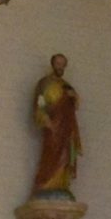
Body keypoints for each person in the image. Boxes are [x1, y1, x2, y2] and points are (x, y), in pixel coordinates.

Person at [30, 54, 81, 197]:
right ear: (53, 64)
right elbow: (39, 105)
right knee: (51, 154)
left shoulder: (67, 86)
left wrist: (74, 97)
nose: (61, 67)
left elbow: (76, 105)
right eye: (58, 63)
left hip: (66, 127)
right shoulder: (45, 83)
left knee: (64, 156)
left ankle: (61, 184)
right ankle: (46, 184)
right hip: (53, 126)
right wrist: (46, 120)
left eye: (63, 64)